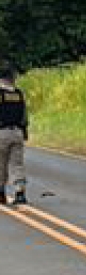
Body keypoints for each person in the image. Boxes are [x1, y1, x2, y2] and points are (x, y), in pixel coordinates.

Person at [0, 62, 27, 206]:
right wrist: (24, 132)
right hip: (17, 132)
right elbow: (24, 116)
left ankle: (1, 193)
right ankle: (20, 193)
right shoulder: (19, 94)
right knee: (17, 164)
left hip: (1, 133)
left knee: (1, 164)